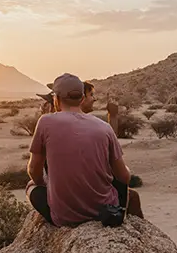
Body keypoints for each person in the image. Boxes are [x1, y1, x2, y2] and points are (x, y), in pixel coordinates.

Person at [26, 73, 143, 227]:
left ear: (56, 98)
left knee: (31, 186)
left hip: (65, 218)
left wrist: (43, 184)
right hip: (105, 212)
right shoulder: (104, 127)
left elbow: (34, 169)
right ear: (82, 99)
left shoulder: (45, 122)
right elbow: (124, 177)